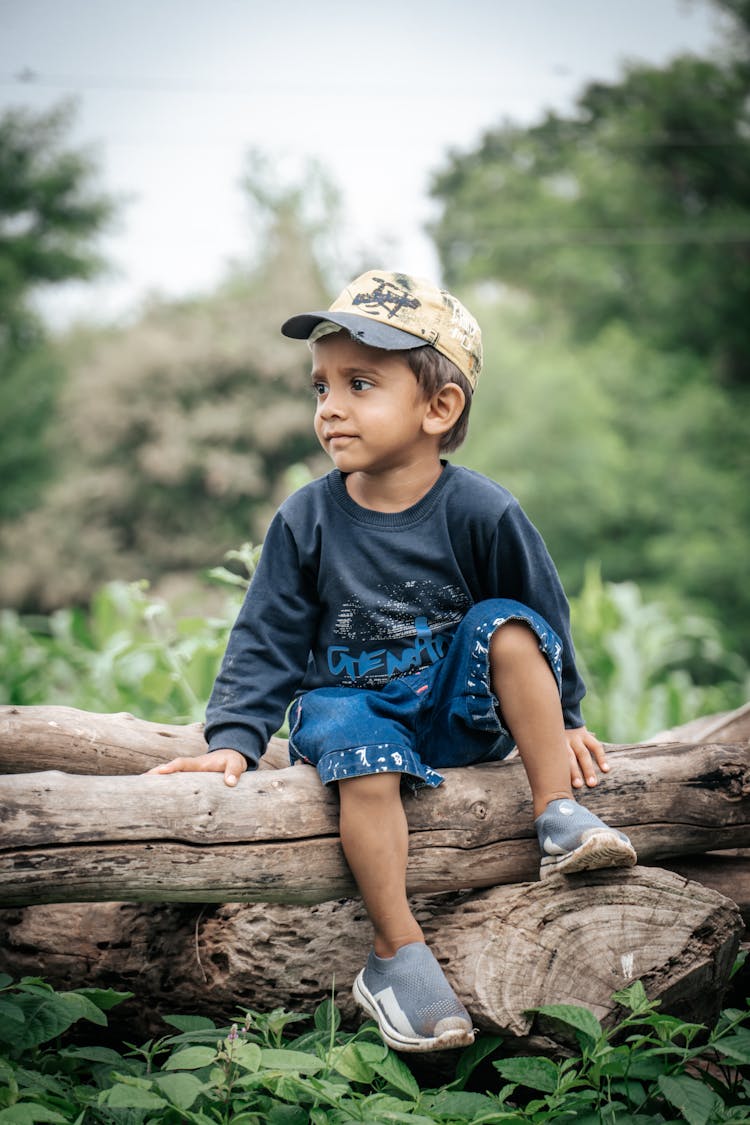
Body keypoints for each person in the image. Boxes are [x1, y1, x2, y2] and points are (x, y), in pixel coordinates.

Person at [149, 270, 636, 1053]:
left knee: (505, 626)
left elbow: (543, 615)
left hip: (453, 712)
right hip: (354, 711)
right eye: (320, 387)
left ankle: (555, 811)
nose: (329, 406)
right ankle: (396, 951)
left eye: (360, 383)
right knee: (359, 743)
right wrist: (231, 740)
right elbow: (266, 637)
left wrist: (568, 717)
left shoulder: (482, 509)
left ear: (439, 407)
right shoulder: (307, 517)